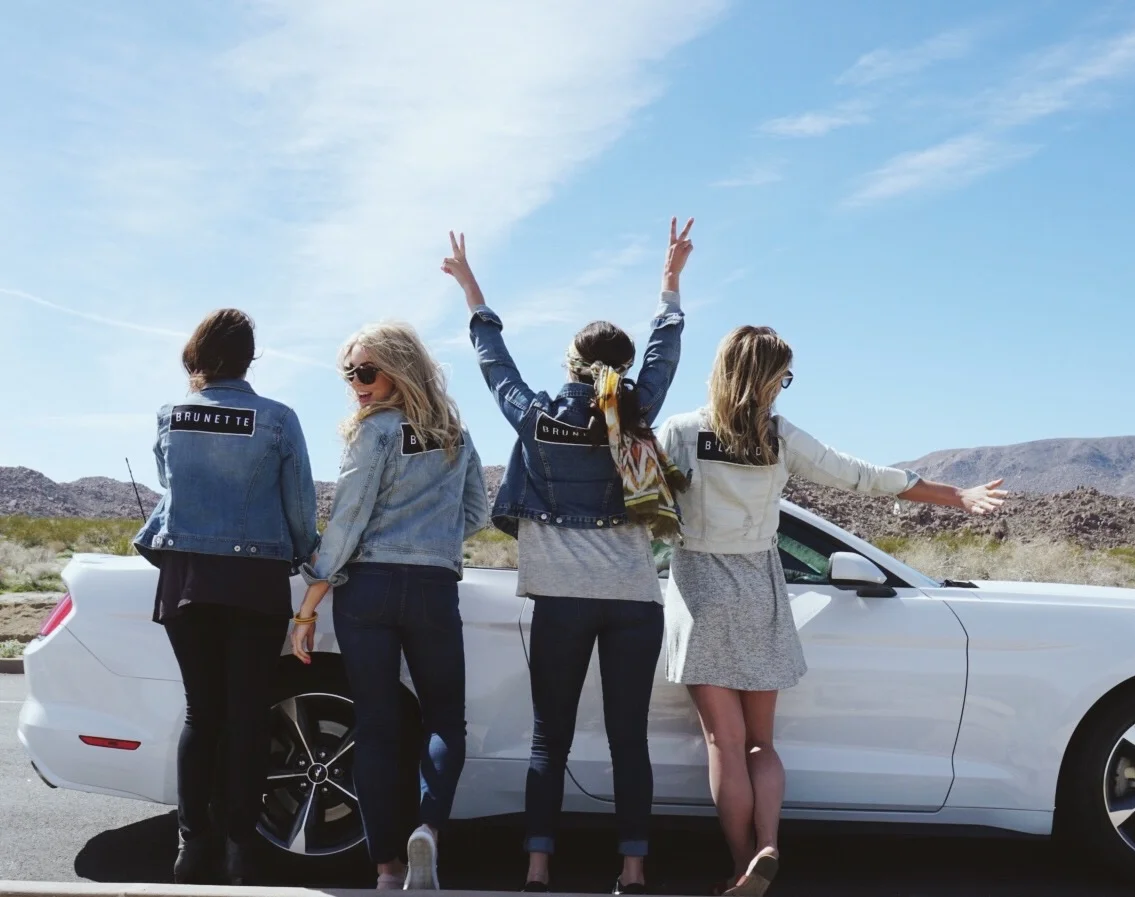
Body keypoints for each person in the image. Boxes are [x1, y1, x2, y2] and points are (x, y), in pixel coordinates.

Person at [658, 327, 1007, 896]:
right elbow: (860, 475)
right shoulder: (780, 437)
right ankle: (768, 842)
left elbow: (641, 490)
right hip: (760, 591)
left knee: (724, 743)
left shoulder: (680, 432)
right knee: (760, 744)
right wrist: (953, 495)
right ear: (768, 379)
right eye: (783, 379)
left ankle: (741, 864)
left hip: (701, 593)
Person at [445, 220, 694, 895]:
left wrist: (473, 291)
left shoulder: (536, 417)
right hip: (633, 599)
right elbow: (664, 353)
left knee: (547, 739)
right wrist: (669, 285)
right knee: (627, 741)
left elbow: (495, 365)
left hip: (560, 597)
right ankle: (634, 869)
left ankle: (537, 866)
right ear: (621, 365)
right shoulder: (637, 407)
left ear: (571, 365)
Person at [290, 322, 490, 891]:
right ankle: (427, 829)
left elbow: (348, 519)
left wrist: (311, 599)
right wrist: (432, 538)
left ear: (400, 368)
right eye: (349, 372)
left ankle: (385, 870)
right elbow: (476, 511)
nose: (356, 383)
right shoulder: (456, 432)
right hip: (432, 586)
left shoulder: (373, 433)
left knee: (377, 727)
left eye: (366, 371)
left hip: (369, 588)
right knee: (444, 718)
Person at [133, 309, 319, 886]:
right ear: (250, 357)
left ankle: (192, 846)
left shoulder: (171, 416)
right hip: (256, 580)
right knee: (246, 717)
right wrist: (308, 556)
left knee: (202, 713)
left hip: (187, 578)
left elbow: (174, 487)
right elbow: (299, 505)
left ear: (197, 354)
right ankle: (241, 848)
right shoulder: (279, 419)